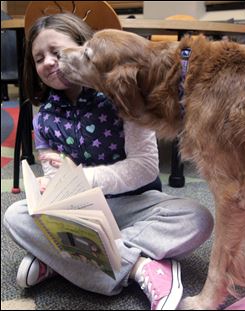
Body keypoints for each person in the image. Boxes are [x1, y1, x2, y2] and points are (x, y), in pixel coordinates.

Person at [3, 13, 214, 310]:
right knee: (15, 215)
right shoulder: (45, 119)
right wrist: (48, 186)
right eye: (39, 58)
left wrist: (80, 179)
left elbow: (144, 168)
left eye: (58, 52)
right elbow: (54, 177)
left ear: (83, 49)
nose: (49, 62)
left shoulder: (124, 95)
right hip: (81, 215)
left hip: (134, 205)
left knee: (197, 217)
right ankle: (139, 267)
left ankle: (67, 261)